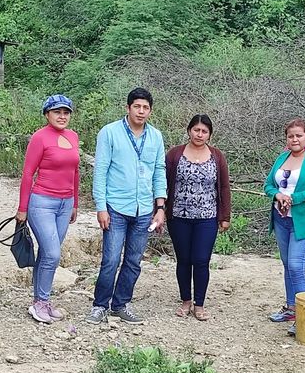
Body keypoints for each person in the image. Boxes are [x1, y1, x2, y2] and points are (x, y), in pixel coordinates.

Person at [86, 87, 167, 325]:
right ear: (128, 107)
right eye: (137, 106)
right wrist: (101, 207)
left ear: (150, 111)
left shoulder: (155, 136)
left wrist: (160, 207)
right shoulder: (110, 132)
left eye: (146, 108)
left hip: (143, 209)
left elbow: (159, 171)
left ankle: (121, 304)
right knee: (111, 259)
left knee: (133, 261)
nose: (141, 111)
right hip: (116, 206)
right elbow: (101, 170)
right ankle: (100, 305)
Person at [16, 94, 79, 323]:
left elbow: (75, 172)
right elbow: (27, 174)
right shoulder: (39, 137)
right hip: (42, 202)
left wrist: (75, 203)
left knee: (46, 252)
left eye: (66, 112)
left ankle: (41, 301)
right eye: (57, 112)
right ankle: (40, 303)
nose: (62, 116)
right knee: (52, 253)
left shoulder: (73, 136)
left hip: (65, 204)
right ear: (47, 114)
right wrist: (22, 208)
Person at [264, 118, 305, 335]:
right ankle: (291, 308)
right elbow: (268, 185)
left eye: (299, 135)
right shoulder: (282, 158)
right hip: (281, 219)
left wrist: (294, 198)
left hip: (304, 221)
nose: (294, 139)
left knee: (296, 265)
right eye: (290, 136)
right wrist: (278, 195)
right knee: (287, 264)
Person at [165, 114, 231, 321]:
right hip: (178, 216)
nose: (199, 134)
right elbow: (163, 182)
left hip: (207, 217)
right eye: (196, 130)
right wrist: (159, 209)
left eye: (204, 131)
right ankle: (186, 301)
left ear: (209, 134)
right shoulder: (175, 154)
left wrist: (225, 216)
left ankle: (199, 304)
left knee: (201, 260)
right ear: (189, 131)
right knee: (183, 259)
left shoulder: (217, 156)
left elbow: (224, 187)